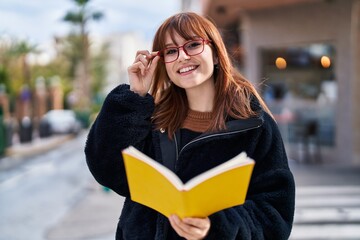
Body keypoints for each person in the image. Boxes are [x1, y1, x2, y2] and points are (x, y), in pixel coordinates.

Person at [85, 12, 295, 240]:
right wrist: (135, 95)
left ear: (215, 54)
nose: (182, 57)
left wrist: (216, 227)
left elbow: (275, 214)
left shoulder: (254, 124)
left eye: (193, 45)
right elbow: (106, 169)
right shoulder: (151, 119)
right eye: (171, 51)